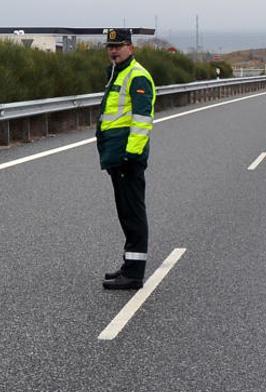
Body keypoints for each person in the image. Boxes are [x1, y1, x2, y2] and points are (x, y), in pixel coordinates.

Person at [97, 28, 155, 290]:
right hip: (116, 156)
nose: (113, 50)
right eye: (110, 46)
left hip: (127, 157)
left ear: (131, 47)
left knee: (132, 213)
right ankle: (129, 265)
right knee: (125, 213)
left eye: (119, 46)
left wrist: (131, 154)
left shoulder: (137, 76)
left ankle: (134, 274)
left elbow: (142, 120)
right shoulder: (116, 72)